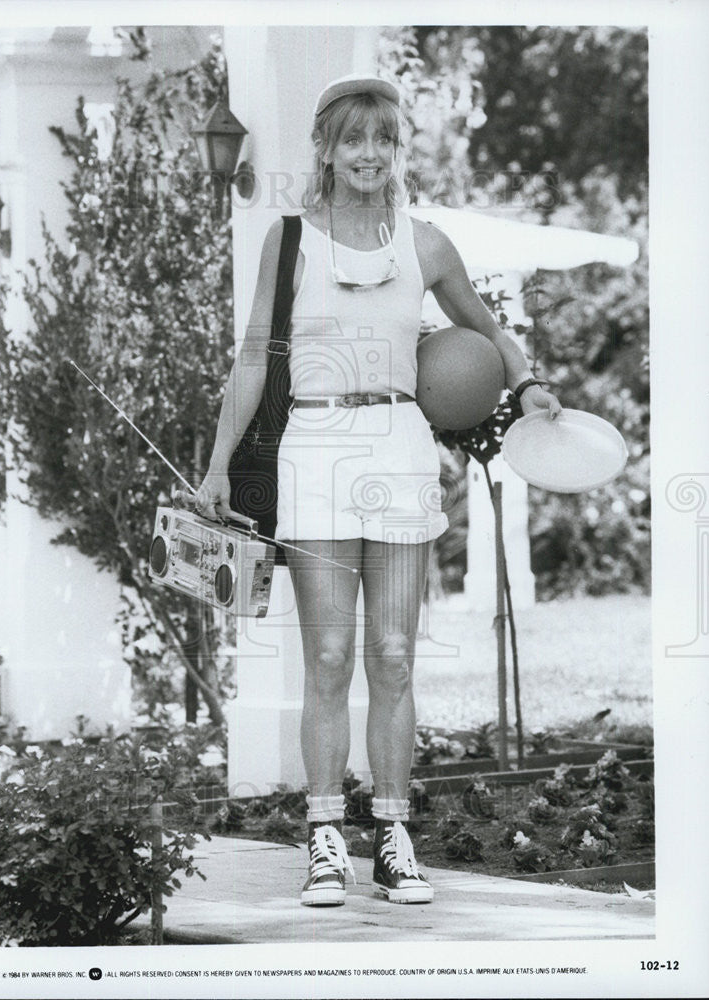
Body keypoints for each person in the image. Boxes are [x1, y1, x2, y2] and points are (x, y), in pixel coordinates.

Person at [195, 74, 562, 907]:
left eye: (385, 140)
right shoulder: (289, 240)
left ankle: (393, 835)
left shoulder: (425, 243)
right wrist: (218, 466)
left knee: (393, 657)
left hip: (399, 448)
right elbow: (254, 358)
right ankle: (325, 838)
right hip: (315, 451)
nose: (370, 154)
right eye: (353, 139)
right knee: (327, 657)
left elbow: (484, 328)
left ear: (399, 150)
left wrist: (529, 383)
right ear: (324, 147)